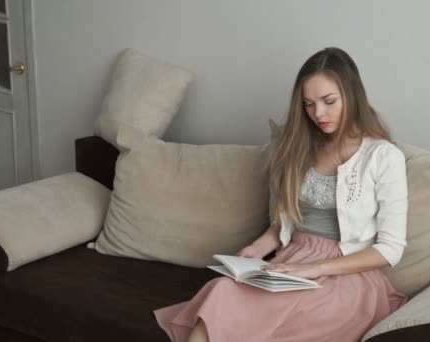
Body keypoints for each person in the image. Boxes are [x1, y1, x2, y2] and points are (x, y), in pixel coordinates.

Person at [154, 47, 409, 342]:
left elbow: (391, 248)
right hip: (290, 261)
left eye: (329, 101)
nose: (318, 114)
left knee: (295, 321)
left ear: (353, 95)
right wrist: (257, 249)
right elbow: (283, 226)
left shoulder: (383, 156)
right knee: (220, 293)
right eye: (308, 104)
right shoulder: (298, 149)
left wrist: (317, 268)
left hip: (346, 274)